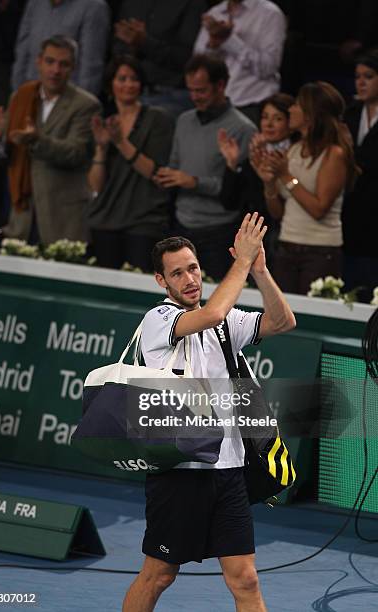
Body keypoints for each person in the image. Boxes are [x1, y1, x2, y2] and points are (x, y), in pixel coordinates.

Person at [122, 212, 296, 612]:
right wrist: (241, 262)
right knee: (159, 575)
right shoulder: (158, 319)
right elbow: (214, 312)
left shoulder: (226, 323)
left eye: (194, 268)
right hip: (179, 474)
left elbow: (283, 320)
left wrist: (261, 271)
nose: (190, 279)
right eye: (178, 273)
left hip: (230, 471)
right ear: (162, 282)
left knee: (246, 579)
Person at [0, 35, 101, 246]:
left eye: (63, 64)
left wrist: (37, 140)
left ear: (73, 67)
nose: (55, 70)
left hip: (63, 220)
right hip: (23, 217)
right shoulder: (21, 96)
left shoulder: (85, 105)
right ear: (38, 61)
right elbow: (3, 158)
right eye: (50, 61)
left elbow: (75, 153)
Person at [153, 54, 257, 282]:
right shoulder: (184, 120)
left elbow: (238, 191)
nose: (194, 97)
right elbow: (175, 165)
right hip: (180, 225)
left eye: (201, 90)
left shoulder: (243, 128)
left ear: (221, 85)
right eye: (191, 90)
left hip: (218, 231)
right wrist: (168, 177)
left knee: (214, 303)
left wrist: (194, 182)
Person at [251, 81, 358, 295]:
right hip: (286, 246)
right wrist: (269, 182)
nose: (291, 109)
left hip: (320, 253)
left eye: (297, 105)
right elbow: (279, 213)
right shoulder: (294, 150)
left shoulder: (334, 154)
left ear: (310, 114)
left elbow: (319, 209)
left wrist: (285, 175)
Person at [87, 55, 174, 271]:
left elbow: (155, 173)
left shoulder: (157, 118)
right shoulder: (103, 122)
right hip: (105, 219)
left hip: (143, 221)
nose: (128, 84)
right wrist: (101, 148)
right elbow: (95, 186)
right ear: (111, 84)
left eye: (134, 79)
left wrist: (120, 142)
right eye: (122, 78)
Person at [217, 92, 295, 270]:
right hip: (248, 241)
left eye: (277, 118)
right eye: (265, 117)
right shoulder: (251, 157)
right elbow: (229, 202)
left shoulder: (296, 158)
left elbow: (276, 210)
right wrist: (232, 165)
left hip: (281, 242)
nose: (268, 124)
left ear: (291, 123)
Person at [193, 0, 287, 124]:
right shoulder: (215, 13)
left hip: (253, 107)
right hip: (215, 106)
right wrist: (213, 45)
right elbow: (197, 66)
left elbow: (267, 68)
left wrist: (229, 41)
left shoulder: (270, 14)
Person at [112, 0, 207, 117]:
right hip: (130, 95)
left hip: (170, 96)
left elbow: (187, 59)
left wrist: (144, 42)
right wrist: (132, 47)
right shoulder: (131, 3)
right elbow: (117, 47)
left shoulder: (192, 4)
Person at [11, 0, 111, 97]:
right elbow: (22, 54)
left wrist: (80, 108)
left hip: (68, 101)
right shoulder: (35, 3)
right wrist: (18, 94)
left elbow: (91, 67)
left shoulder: (93, 6)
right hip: (32, 95)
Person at [342, 49, 378, 302]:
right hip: (350, 213)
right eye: (358, 76)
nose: (361, 82)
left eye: (369, 76)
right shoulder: (351, 114)